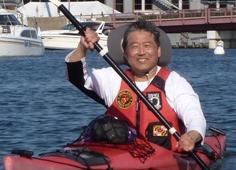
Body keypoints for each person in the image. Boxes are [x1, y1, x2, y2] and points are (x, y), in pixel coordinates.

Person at [66, 18, 206, 152]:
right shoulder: (113, 78)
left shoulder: (174, 82)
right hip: (121, 156)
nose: (141, 52)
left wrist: (192, 136)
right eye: (134, 47)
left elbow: (194, 116)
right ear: (126, 53)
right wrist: (82, 47)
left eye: (147, 46)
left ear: (158, 51)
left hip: (165, 157)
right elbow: (77, 76)